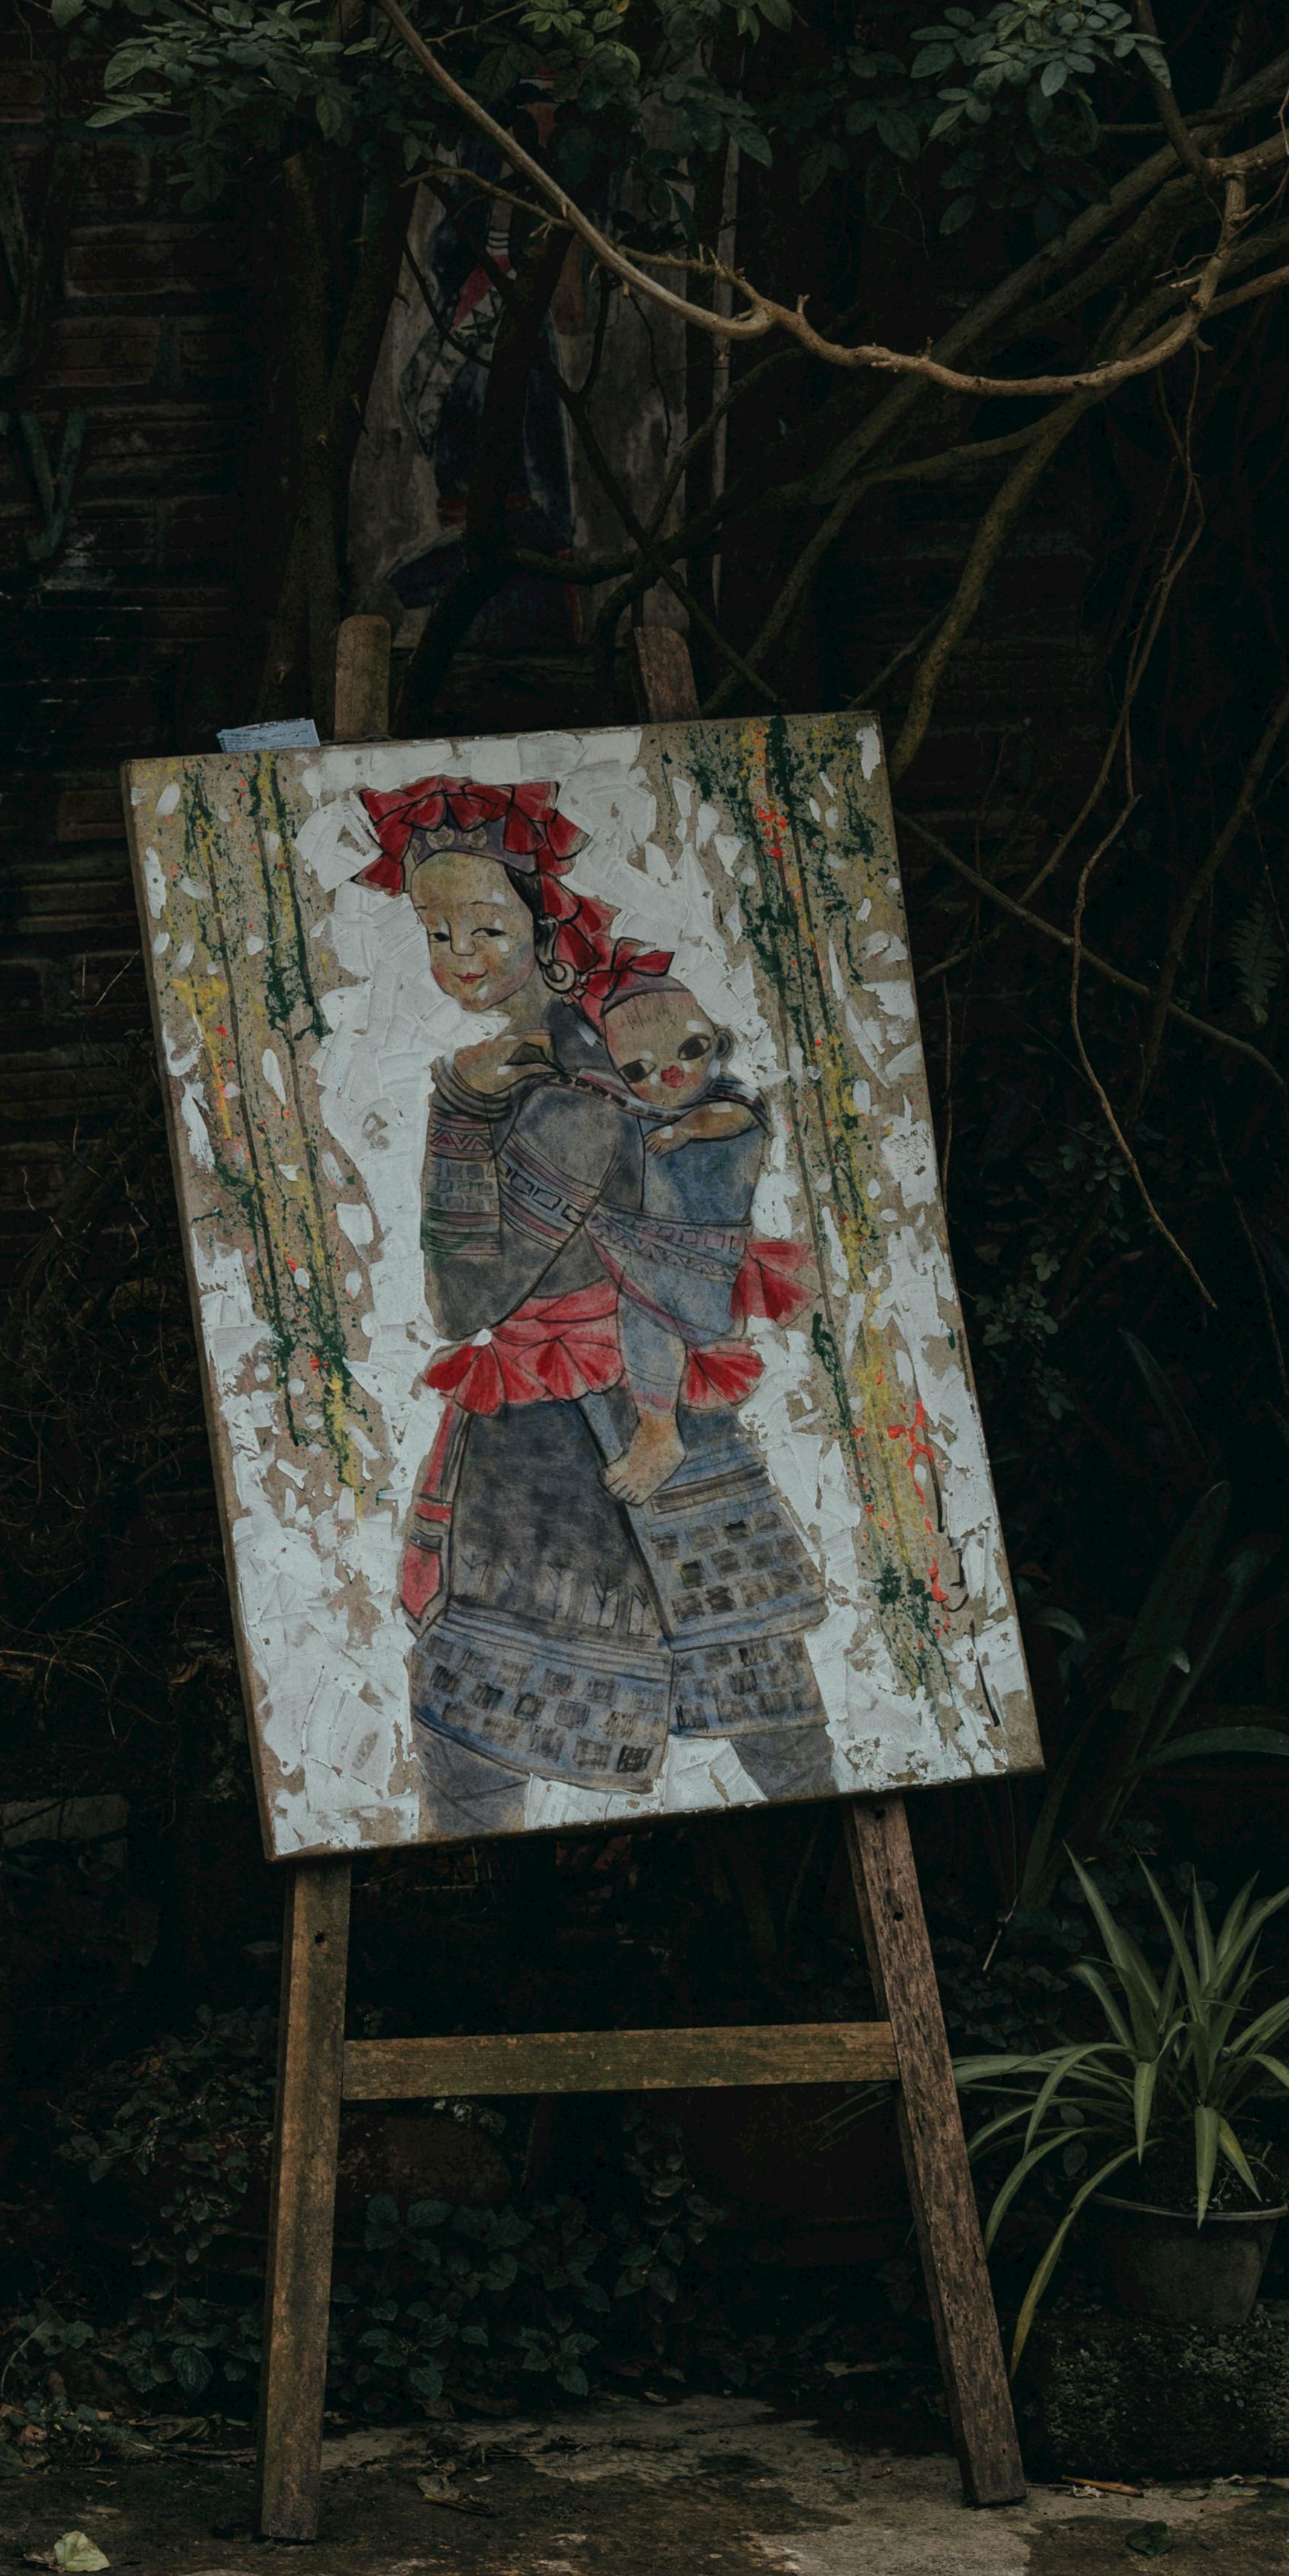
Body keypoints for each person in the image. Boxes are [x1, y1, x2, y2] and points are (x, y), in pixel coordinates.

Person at [354, 776, 832, 1825]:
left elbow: (458, 1297)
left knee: (496, 1743)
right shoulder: (566, 1053)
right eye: (436, 931)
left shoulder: (572, 1084)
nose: (460, 956)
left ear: (541, 916)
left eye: (487, 924)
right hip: (576, 1427)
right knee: (748, 1714)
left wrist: (459, 1111)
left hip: (588, 1434)